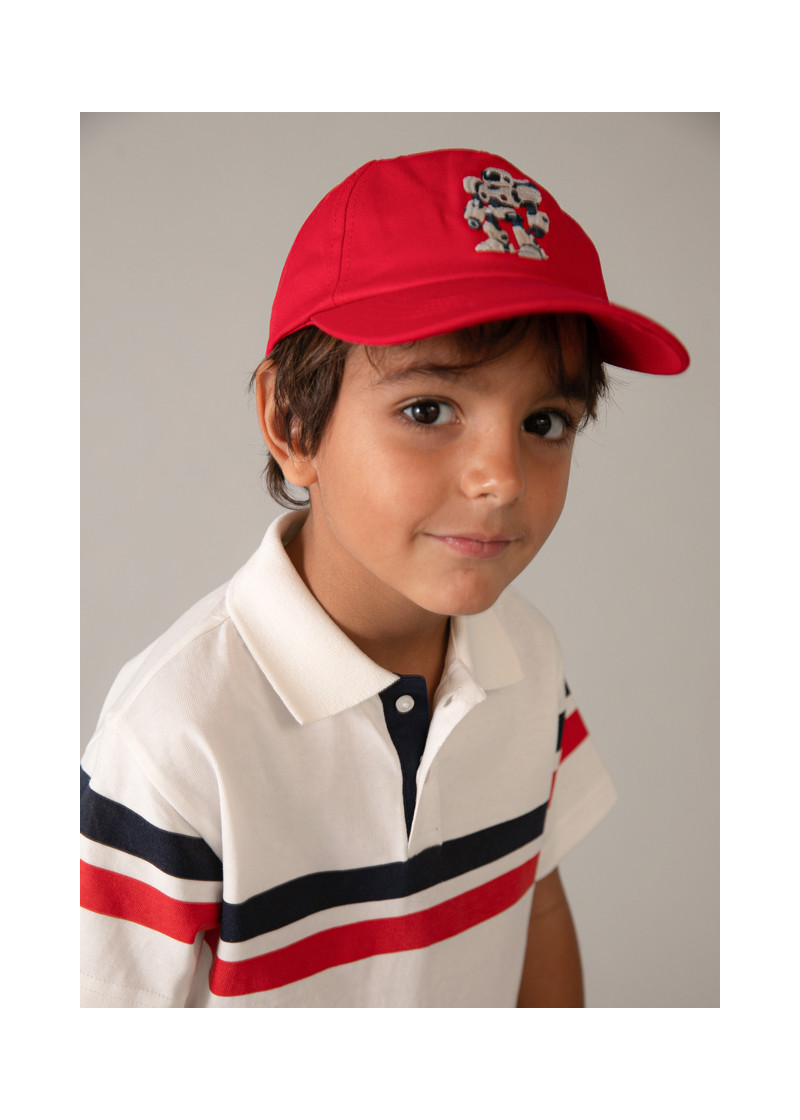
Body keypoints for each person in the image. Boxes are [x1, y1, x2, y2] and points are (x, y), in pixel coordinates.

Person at [80, 148, 689, 1007]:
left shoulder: (526, 658)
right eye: (428, 410)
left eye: (546, 422)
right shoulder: (175, 737)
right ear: (292, 424)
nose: (502, 477)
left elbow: (535, 899)